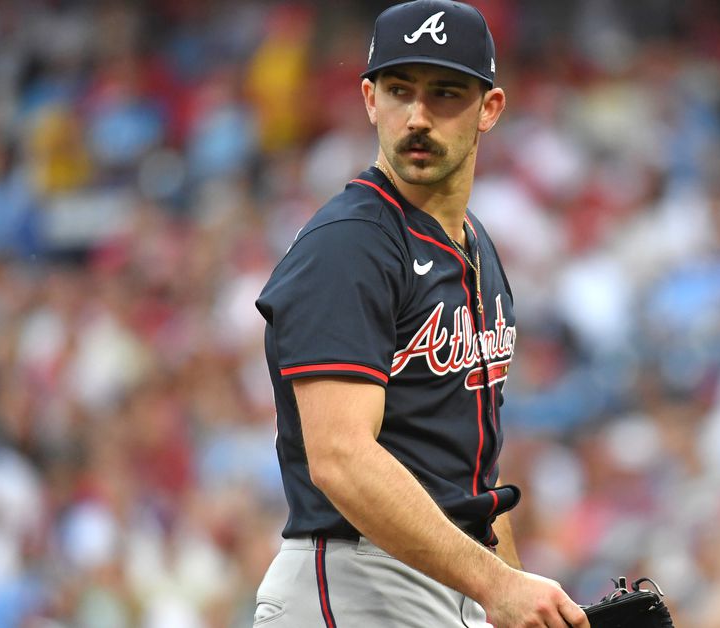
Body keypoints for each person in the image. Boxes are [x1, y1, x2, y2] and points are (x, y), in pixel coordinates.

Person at [252, 1, 590, 626]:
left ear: (489, 109)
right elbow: (340, 458)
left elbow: (470, 480)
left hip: (446, 577)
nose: (417, 117)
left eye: (445, 94)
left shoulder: (477, 247)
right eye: (400, 90)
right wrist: (496, 586)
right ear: (369, 99)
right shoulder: (351, 243)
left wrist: (512, 590)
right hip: (355, 582)